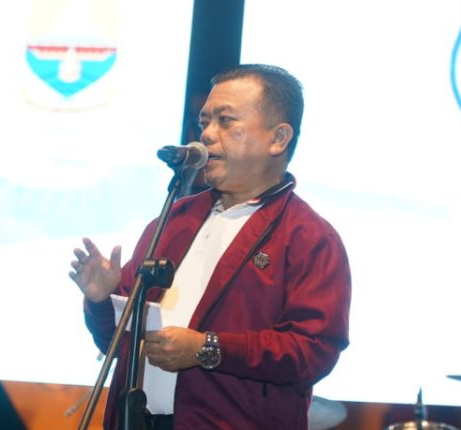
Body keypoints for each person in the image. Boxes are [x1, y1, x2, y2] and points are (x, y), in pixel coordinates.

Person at [70, 64, 352, 430]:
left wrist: (206, 348)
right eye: (204, 122)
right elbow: (114, 343)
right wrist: (101, 301)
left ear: (278, 138)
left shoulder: (309, 237)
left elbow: (314, 351)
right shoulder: (173, 219)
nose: (206, 134)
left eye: (225, 121)